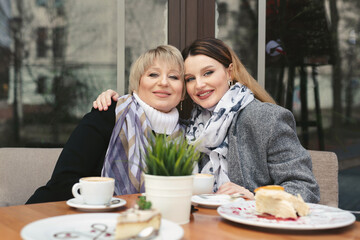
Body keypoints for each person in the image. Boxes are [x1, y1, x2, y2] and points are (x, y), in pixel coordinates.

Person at [94, 38, 320, 203]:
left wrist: (254, 198)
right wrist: (116, 100)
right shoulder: (189, 128)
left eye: (208, 73)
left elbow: (305, 188)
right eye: (190, 78)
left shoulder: (264, 118)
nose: (199, 85)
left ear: (229, 72)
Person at [26, 45, 185, 203]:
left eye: (174, 77)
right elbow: (63, 183)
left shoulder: (189, 135)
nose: (164, 82)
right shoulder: (109, 114)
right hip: (71, 216)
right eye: (153, 74)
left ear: (183, 91)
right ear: (137, 83)